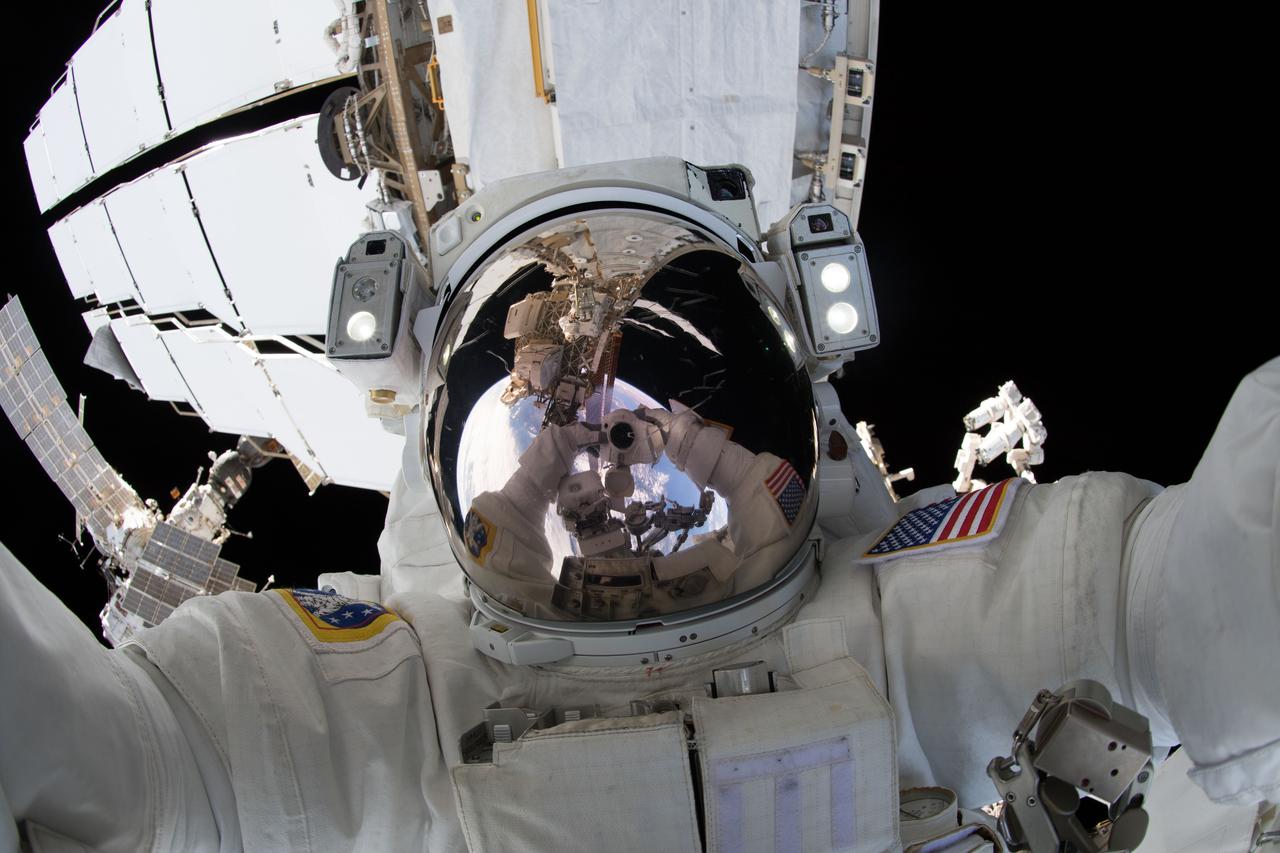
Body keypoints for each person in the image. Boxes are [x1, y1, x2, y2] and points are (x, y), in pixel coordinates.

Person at [3, 202, 1277, 852]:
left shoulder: (894, 610)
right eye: (564, 449)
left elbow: (1185, 603)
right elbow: (131, 763)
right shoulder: (399, 683)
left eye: (636, 431)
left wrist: (676, 442)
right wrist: (553, 459)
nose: (609, 482)